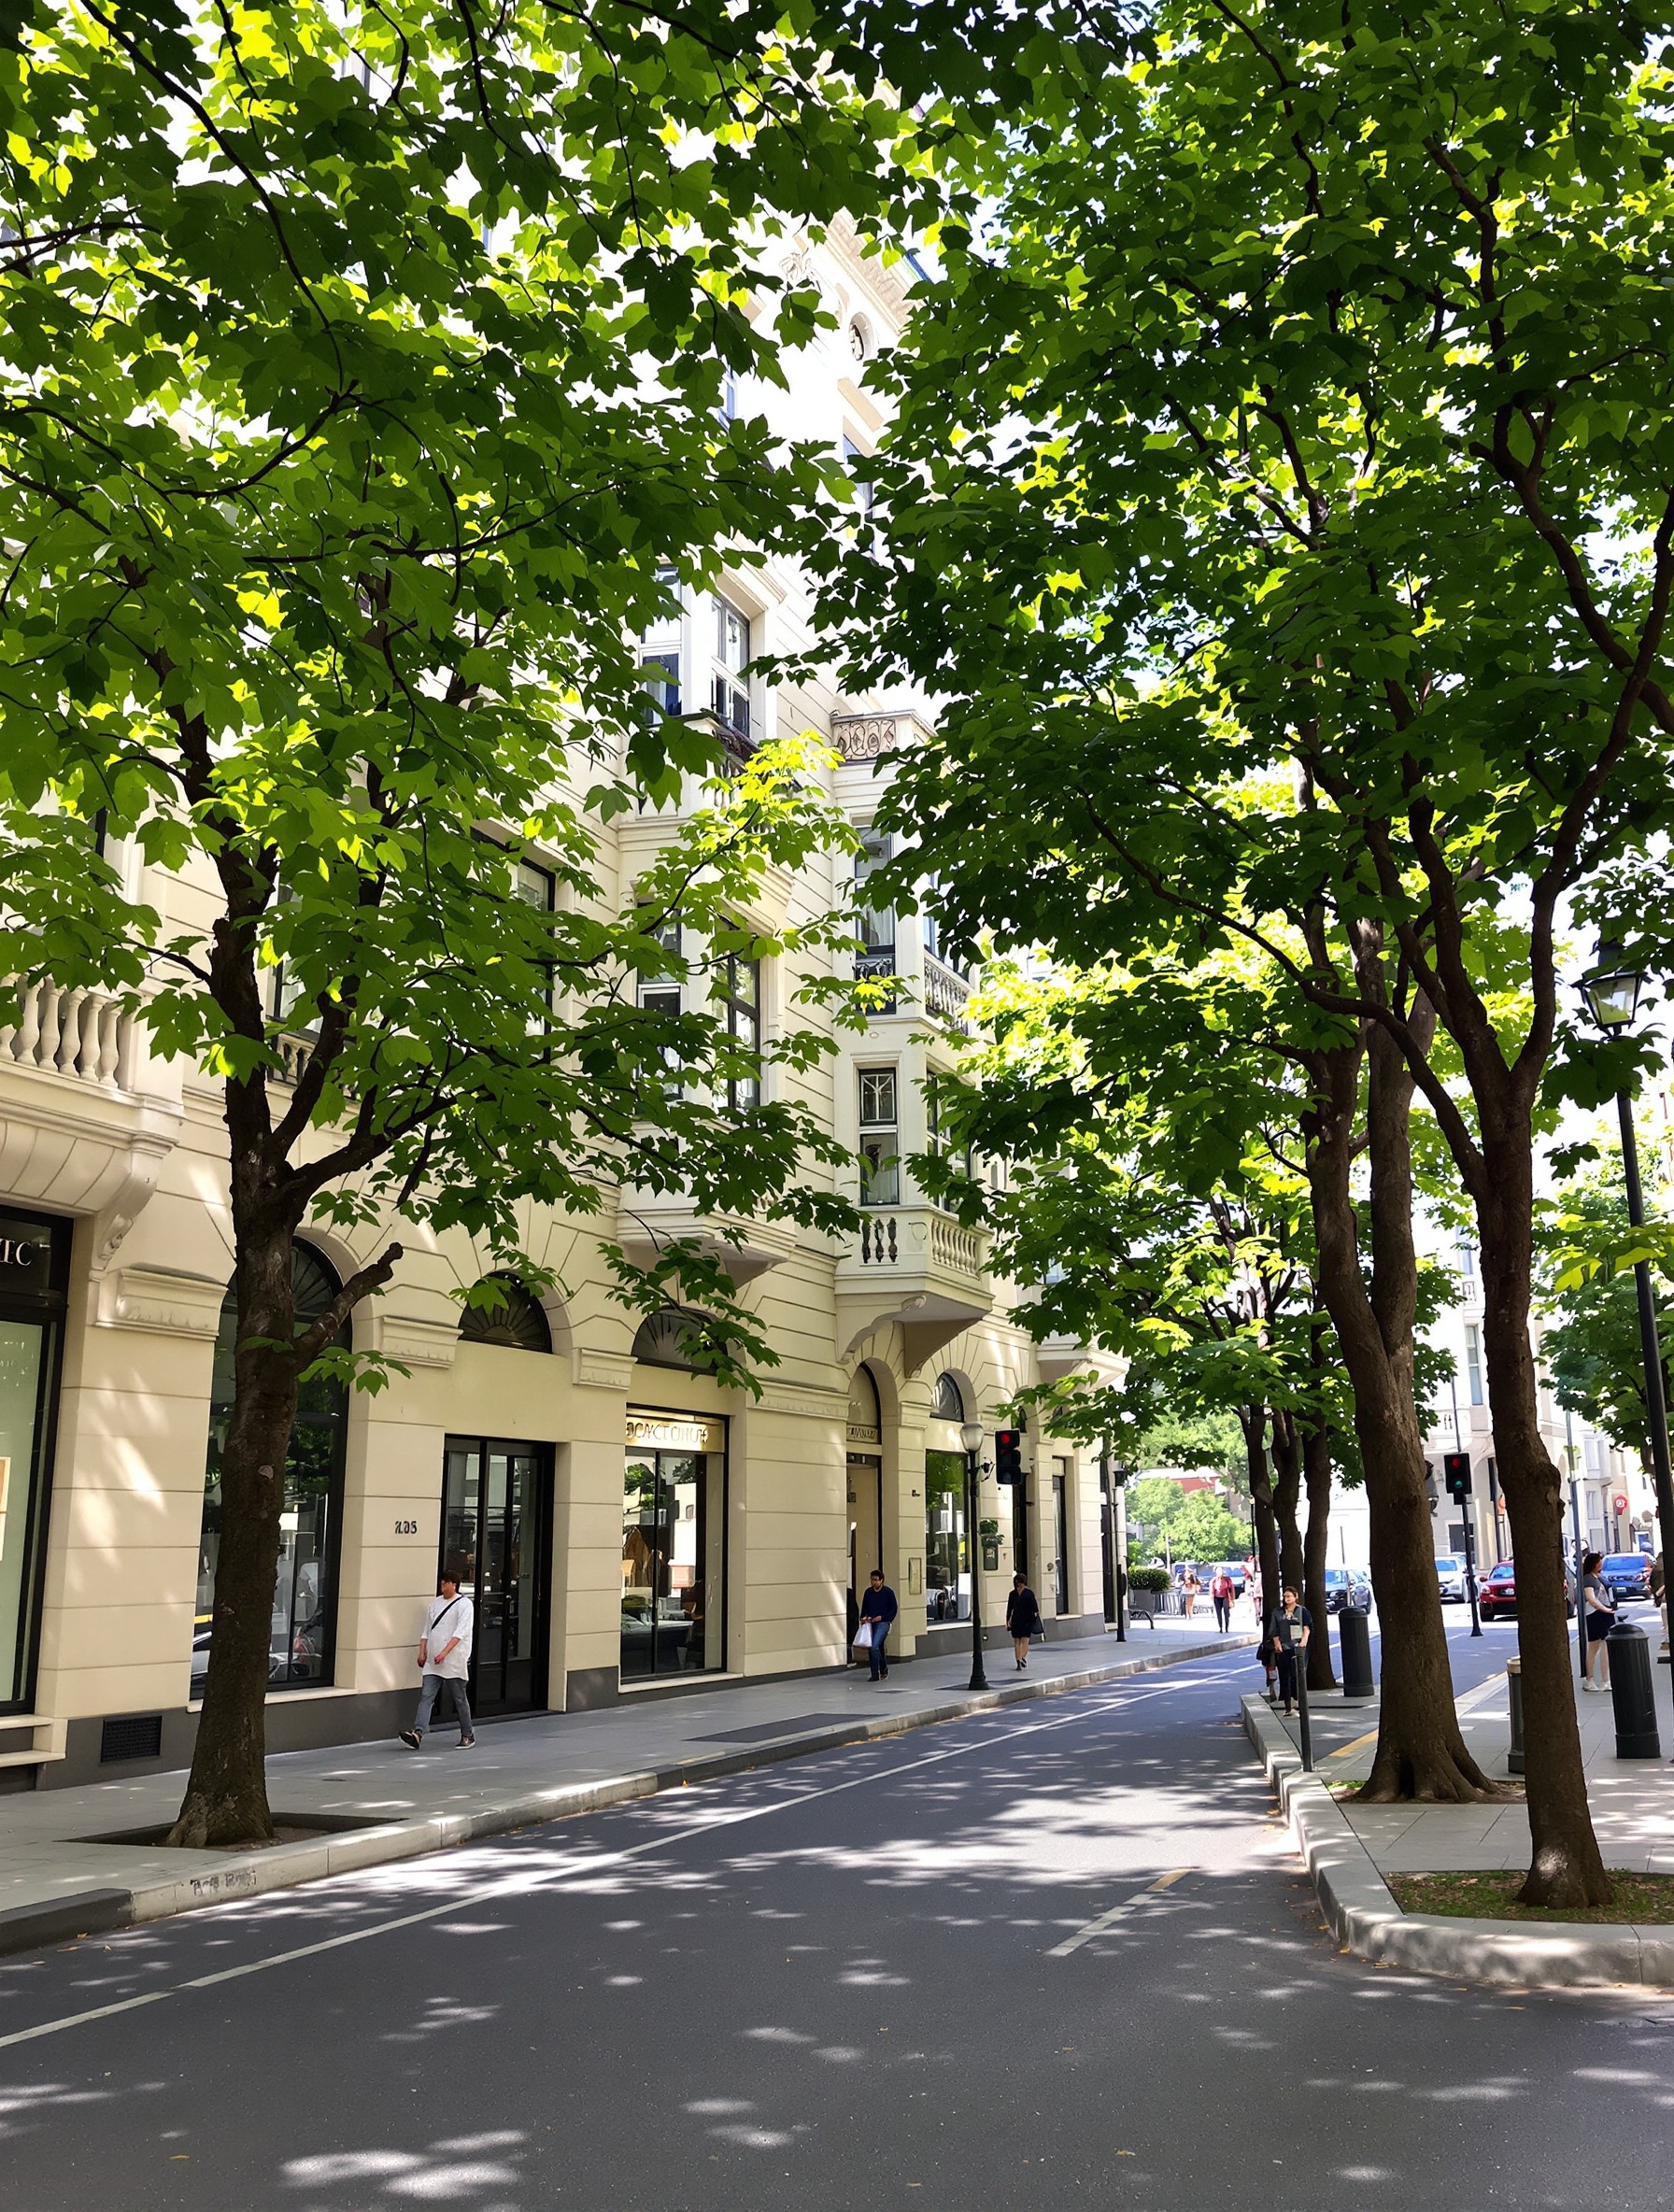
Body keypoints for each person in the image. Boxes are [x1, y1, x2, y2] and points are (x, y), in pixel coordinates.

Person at [400, 1560, 475, 1749]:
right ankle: (418, 1733)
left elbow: (461, 1632)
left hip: (453, 1661)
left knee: (459, 1698)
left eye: (445, 1583)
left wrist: (444, 1652)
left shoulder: (464, 1605)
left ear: (454, 1584)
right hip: (432, 1662)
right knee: (426, 1696)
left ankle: (468, 1735)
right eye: (441, 1583)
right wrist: (422, 1651)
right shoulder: (435, 1604)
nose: (442, 1586)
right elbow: (427, 1630)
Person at [1268, 1584, 1311, 1717]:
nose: (1287, 1598)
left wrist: (1302, 1643)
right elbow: (1274, 1630)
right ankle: (1288, 1706)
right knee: (1285, 1677)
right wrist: (1277, 1643)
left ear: (1295, 1597)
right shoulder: (1278, 1612)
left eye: (1289, 1596)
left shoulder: (1302, 1611)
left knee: (1297, 1676)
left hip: (1298, 1647)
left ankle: (1299, 1704)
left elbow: (1307, 1628)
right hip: (1283, 1647)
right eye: (1285, 1596)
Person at [1581, 1550, 1616, 1691]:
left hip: (1602, 1613)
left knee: (1600, 1647)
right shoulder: (1589, 1579)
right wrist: (1605, 1609)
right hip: (1596, 1614)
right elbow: (1590, 1598)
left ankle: (1601, 1679)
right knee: (1598, 1646)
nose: (1600, 1563)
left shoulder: (1598, 1577)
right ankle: (1595, 1679)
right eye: (1598, 1561)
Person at [858, 1567, 897, 1681]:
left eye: (876, 1580)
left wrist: (884, 1617)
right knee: (875, 1647)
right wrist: (863, 1617)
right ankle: (879, 1670)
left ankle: (879, 1670)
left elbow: (893, 1609)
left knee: (874, 1646)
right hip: (870, 1623)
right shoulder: (868, 1592)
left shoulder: (888, 1593)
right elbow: (864, 1607)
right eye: (872, 1579)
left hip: (883, 1623)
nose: (873, 1582)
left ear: (881, 1580)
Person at [1005, 1572, 1043, 1669]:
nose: (1018, 1585)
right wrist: (1008, 1621)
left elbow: (1010, 1609)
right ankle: (1020, 1659)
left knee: (1020, 1641)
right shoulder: (1025, 1593)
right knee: (1021, 1641)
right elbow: (1034, 1609)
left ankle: (1020, 1659)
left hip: (1021, 1620)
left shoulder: (1017, 1594)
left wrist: (1008, 1620)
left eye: (1019, 1583)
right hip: (1022, 1620)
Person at [1211, 1565, 1235, 1634]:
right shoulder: (1214, 1580)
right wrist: (1212, 1597)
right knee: (1219, 1613)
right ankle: (1220, 1628)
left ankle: (1226, 1627)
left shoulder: (1227, 1579)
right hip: (1217, 1598)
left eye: (1220, 1571)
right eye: (1218, 1571)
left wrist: (1232, 1600)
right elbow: (1212, 1590)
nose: (1219, 1573)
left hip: (1225, 1597)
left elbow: (1231, 1589)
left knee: (1226, 1613)